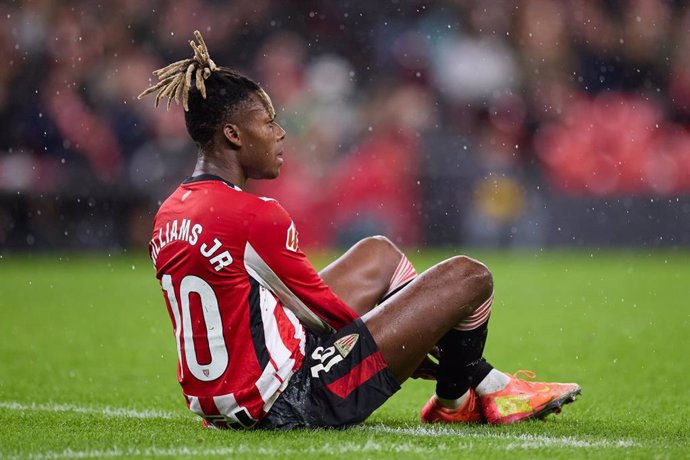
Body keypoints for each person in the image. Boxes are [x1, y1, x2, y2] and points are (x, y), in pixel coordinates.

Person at [139, 31, 581, 430]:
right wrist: (421, 343)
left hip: (223, 403)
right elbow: (330, 317)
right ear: (234, 135)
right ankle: (467, 389)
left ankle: (466, 388)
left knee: (378, 253)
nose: (280, 134)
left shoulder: (171, 212)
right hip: (289, 403)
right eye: (268, 122)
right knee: (470, 276)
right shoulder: (254, 214)